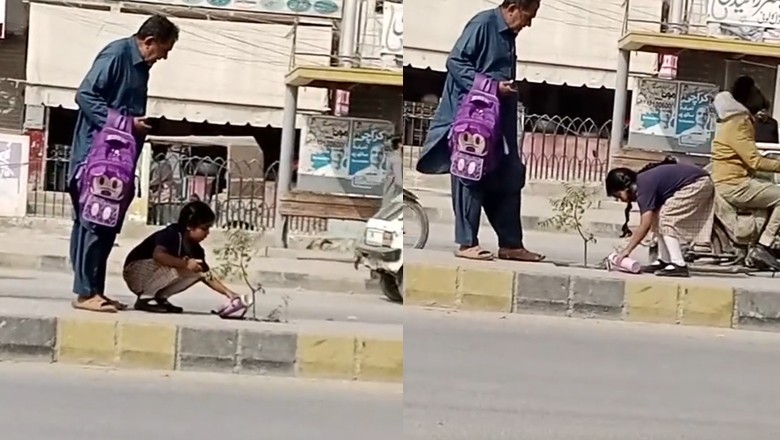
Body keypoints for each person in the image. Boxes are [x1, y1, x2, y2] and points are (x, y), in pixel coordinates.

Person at [415, 0, 544, 262]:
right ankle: (466, 243)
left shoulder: (509, 35)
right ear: (513, 8)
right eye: (527, 16)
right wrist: (492, 88)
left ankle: (511, 243)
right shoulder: (483, 24)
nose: (528, 23)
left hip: (499, 121)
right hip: (473, 119)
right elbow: (456, 62)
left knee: (509, 174)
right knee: (469, 172)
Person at [69, 15, 179, 313]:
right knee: (92, 221)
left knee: (106, 225)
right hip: (96, 157)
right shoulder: (116, 55)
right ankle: (84, 293)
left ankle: (96, 291)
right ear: (149, 42)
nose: (164, 56)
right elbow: (85, 95)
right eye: (164, 49)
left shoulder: (143, 68)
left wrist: (137, 126)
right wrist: (125, 123)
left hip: (119, 159)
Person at [123, 201, 245, 313]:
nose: (207, 233)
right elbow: (158, 255)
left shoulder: (195, 249)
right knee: (176, 264)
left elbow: (207, 275)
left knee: (198, 272)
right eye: (204, 228)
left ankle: (160, 297)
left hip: (154, 275)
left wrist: (229, 293)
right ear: (189, 226)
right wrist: (185, 264)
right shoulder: (172, 234)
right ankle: (146, 298)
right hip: (136, 273)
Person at [711, 75, 780, 270]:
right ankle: (763, 246)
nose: (761, 96)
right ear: (749, 97)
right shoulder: (739, 123)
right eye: (757, 92)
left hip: (732, 181)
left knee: (769, 191)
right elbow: (755, 160)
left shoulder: (732, 120)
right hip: (735, 185)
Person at [607, 159, 715, 277]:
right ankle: (664, 260)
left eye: (618, 195)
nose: (621, 200)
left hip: (698, 182)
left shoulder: (643, 187)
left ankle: (678, 264)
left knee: (666, 218)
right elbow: (651, 219)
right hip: (696, 180)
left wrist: (627, 250)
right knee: (657, 217)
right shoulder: (643, 183)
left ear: (626, 188)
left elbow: (645, 224)